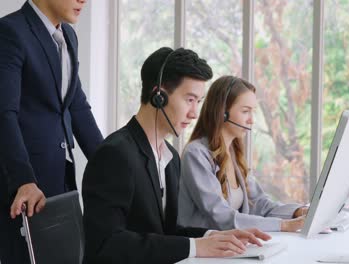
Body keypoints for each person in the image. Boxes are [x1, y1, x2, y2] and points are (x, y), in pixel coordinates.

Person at [82, 48, 271, 264]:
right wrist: (195, 246)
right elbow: (107, 244)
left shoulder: (170, 157)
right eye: (189, 100)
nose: (194, 113)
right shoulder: (115, 155)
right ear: (158, 96)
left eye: (198, 102)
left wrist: (213, 236)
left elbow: (168, 231)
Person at [0, 0, 103, 263]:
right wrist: (24, 179)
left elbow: (76, 107)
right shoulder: (10, 31)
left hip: (61, 181)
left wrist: (113, 166)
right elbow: (4, 113)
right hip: (23, 186)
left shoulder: (68, 34)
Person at [178, 76, 308, 232]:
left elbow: (259, 204)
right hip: (203, 250)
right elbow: (221, 215)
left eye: (252, 112)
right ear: (222, 113)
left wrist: (297, 212)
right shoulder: (196, 154)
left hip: (230, 247)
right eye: (245, 111)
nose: (251, 120)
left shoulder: (233, 153)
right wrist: (284, 225)